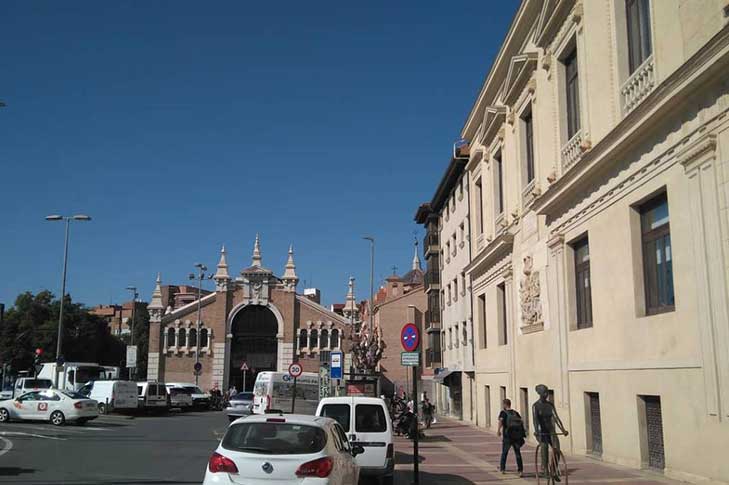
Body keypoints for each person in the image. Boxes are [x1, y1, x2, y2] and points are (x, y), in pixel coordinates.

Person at [532, 384, 569, 480]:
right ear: (539, 393)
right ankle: (544, 469)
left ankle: (553, 470)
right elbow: (535, 420)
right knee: (544, 447)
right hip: (542, 432)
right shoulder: (535, 406)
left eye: (547, 392)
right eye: (544, 392)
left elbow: (556, 418)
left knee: (556, 449)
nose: (546, 394)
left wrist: (563, 429)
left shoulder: (550, 405)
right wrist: (536, 431)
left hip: (551, 431)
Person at [497, 398, 525, 477]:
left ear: (505, 405)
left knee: (504, 453)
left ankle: (502, 469)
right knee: (518, 453)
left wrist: (498, 430)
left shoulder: (503, 412)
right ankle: (520, 470)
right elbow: (521, 421)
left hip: (507, 436)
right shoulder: (515, 413)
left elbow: (501, 421)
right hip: (516, 436)